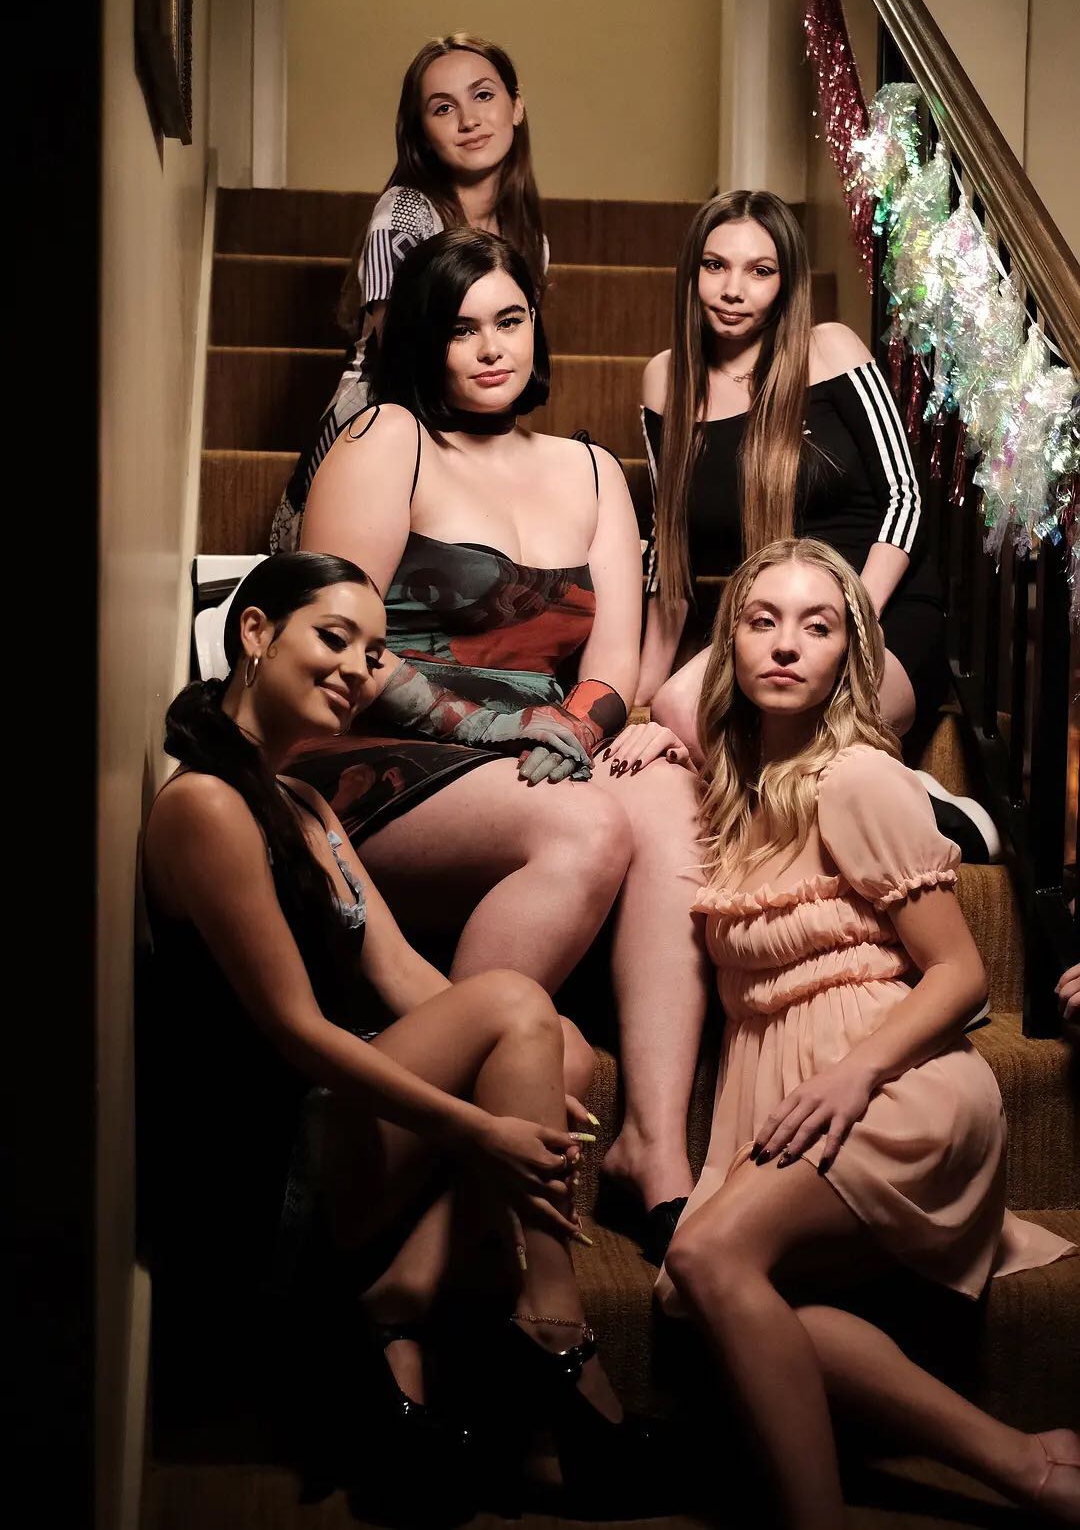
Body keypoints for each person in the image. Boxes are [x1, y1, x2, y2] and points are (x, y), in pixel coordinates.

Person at [142, 552, 654, 1510]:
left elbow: (405, 979)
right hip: (260, 1171)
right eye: (333, 639)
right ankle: (554, 1327)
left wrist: (521, 1068)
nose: (355, 670)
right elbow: (295, 1032)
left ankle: (400, 1301)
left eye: (373, 653)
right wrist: (478, 1128)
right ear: (254, 632)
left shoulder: (301, 803)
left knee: (555, 1040)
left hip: (328, 1128)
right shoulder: (205, 805)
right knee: (513, 1008)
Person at [293, 226, 710, 1257]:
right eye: (460, 329)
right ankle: (403, 1180)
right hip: (375, 752)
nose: (491, 348)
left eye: (510, 320)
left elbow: (612, 667)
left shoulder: (594, 468)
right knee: (586, 831)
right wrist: (496, 724)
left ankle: (654, 1147)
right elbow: (333, 642)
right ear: (423, 342)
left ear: (536, 326)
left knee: (666, 798)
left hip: (534, 755)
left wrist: (571, 724)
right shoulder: (387, 436)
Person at [652, 537, 1077, 1530]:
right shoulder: (738, 789)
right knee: (714, 1292)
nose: (786, 646)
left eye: (818, 626)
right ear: (728, 641)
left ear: (852, 652)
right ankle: (1027, 1467)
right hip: (783, 1086)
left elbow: (963, 974)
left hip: (891, 1082)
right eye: (762, 621)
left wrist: (853, 1076)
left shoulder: (859, 780)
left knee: (709, 1263)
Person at [635, 188, 999, 863]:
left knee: (816, 714)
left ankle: (896, 799)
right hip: (765, 622)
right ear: (692, 273)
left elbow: (905, 496)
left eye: (760, 270)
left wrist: (850, 619)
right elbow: (669, 551)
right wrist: (640, 695)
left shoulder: (829, 349)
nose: (733, 289)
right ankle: (912, 799)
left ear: (787, 281)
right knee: (678, 709)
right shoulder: (666, 381)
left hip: (879, 607)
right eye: (715, 266)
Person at [270, 33, 547, 553]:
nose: (469, 120)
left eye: (483, 95)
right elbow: (402, 359)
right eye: (443, 108)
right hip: (385, 422)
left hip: (470, 437)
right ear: (421, 131)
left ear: (516, 106)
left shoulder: (531, 240)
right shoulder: (402, 214)